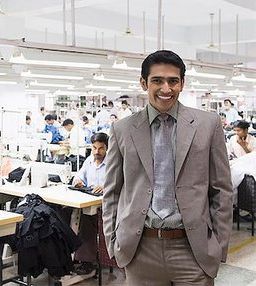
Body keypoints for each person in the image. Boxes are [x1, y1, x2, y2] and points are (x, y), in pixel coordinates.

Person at [102, 50, 233, 285]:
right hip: (140, 249)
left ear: (182, 83)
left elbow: (222, 189)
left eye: (173, 81)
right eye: (157, 80)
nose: (166, 89)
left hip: (193, 250)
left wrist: (218, 245)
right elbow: (112, 191)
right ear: (143, 83)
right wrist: (114, 242)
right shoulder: (122, 129)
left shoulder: (207, 125)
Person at [72, 133, 109, 274]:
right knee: (62, 212)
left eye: (100, 148)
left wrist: (106, 186)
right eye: (94, 148)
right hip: (88, 200)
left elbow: (120, 182)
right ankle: (69, 255)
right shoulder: (89, 161)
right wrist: (78, 181)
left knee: (88, 220)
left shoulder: (112, 162)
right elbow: (79, 176)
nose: (96, 152)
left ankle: (87, 261)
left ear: (107, 148)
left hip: (106, 204)